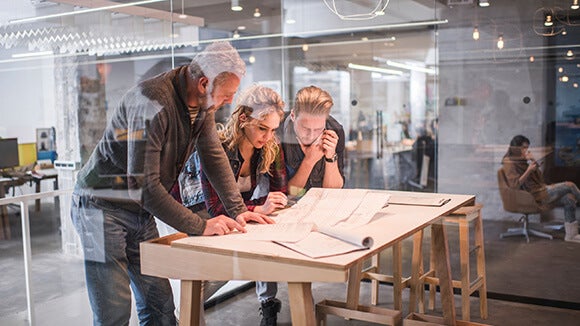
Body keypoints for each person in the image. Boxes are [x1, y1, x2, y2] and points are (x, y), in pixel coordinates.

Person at [70, 41, 271, 326]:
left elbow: (212, 155)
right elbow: (145, 187)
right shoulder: (152, 102)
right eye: (227, 94)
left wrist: (238, 210)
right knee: (113, 312)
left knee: (161, 307)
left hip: (139, 211)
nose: (230, 100)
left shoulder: (201, 105)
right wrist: (201, 225)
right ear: (204, 83)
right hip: (101, 208)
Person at [197, 84, 288, 326]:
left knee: (266, 235)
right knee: (209, 276)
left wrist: (260, 206)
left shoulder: (269, 146)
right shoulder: (218, 148)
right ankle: (184, 316)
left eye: (273, 130)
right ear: (243, 118)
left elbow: (281, 192)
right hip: (195, 213)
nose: (267, 137)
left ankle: (268, 305)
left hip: (231, 215)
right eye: (262, 128)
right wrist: (257, 208)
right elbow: (214, 207)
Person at [502, 135, 580, 243]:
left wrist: (533, 161)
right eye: (523, 148)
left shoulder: (522, 161)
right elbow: (515, 185)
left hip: (540, 190)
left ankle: (571, 235)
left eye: (527, 148)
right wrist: (529, 170)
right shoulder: (509, 162)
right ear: (516, 148)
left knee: (569, 197)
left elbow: (539, 178)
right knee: (569, 185)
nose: (526, 150)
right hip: (531, 196)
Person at [280, 85, 346, 196]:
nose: (311, 136)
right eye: (305, 128)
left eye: (318, 129)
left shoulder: (335, 130)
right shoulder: (276, 130)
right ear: (293, 116)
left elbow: (333, 192)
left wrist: (330, 157)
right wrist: (309, 161)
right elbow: (291, 193)